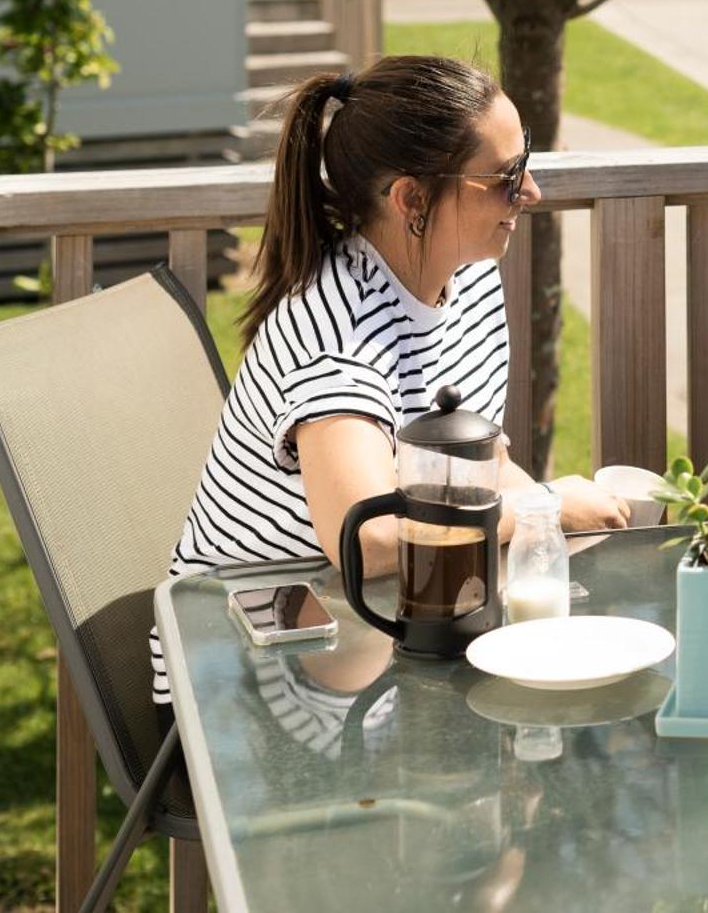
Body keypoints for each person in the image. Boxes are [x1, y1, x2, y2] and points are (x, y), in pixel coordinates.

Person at [150, 56, 627, 707]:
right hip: (249, 681)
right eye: (506, 176)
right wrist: (542, 508)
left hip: (385, 636)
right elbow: (366, 539)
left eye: (527, 161)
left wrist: (564, 519)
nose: (532, 192)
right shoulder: (337, 330)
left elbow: (480, 469)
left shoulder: (469, 278)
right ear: (411, 198)